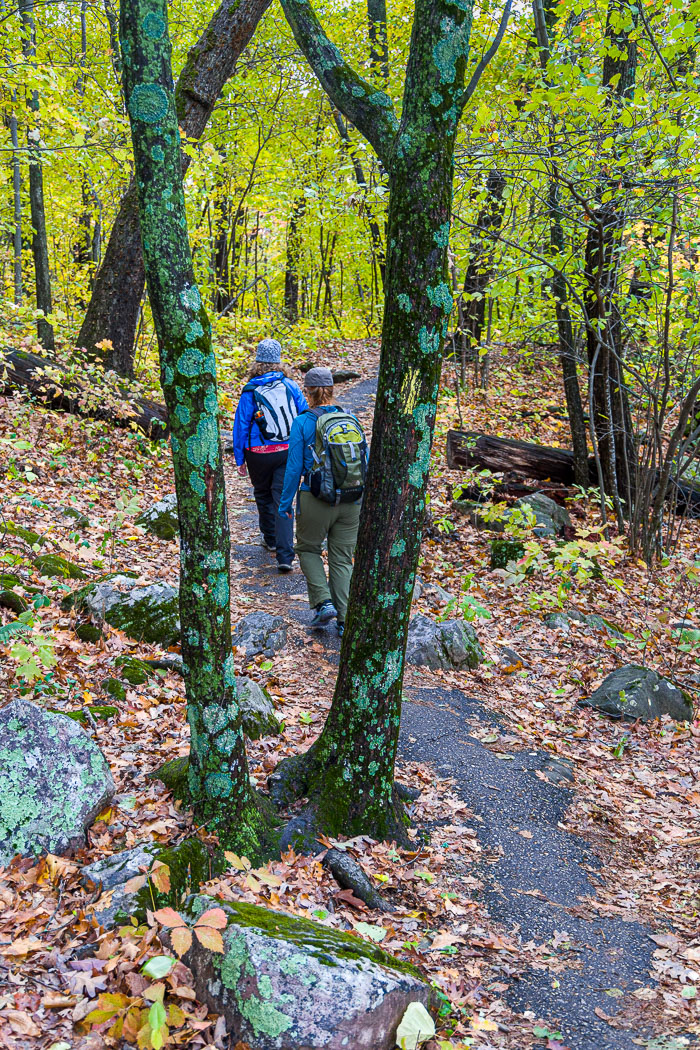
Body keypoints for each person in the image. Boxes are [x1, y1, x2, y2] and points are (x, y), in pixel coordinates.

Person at [278, 366, 366, 636]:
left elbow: (293, 468)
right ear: (332, 389)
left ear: (308, 392)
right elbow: (364, 460)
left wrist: (284, 505)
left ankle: (323, 602)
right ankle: (345, 619)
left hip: (315, 497)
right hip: (351, 499)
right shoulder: (349, 418)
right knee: (342, 558)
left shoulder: (303, 422)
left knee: (307, 550)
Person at [232, 338, 307, 573]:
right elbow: (305, 415)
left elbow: (241, 425)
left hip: (258, 453)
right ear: (278, 360)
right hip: (286, 451)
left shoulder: (250, 390)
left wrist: (239, 458)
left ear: (258, 361)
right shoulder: (291, 386)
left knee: (262, 494)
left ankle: (270, 537)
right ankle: (285, 556)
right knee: (283, 501)